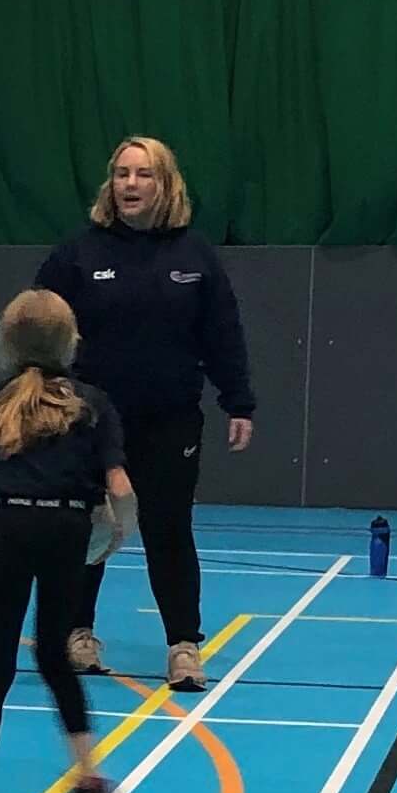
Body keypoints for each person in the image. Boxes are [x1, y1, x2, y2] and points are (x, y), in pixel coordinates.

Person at [35, 137, 253, 695]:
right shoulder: (77, 254)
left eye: (143, 175)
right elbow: (39, 326)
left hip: (170, 419)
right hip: (88, 420)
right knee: (86, 527)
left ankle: (184, 646)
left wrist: (238, 400)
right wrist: (38, 391)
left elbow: (222, 332)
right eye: (121, 174)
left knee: (168, 528)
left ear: (166, 184)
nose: (130, 184)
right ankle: (77, 634)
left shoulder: (195, 255)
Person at [0, 289, 136, 793]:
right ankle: (90, 780)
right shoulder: (92, 404)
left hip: (7, 527)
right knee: (55, 654)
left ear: (7, 343)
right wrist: (120, 531)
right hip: (67, 529)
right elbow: (119, 486)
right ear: (70, 342)